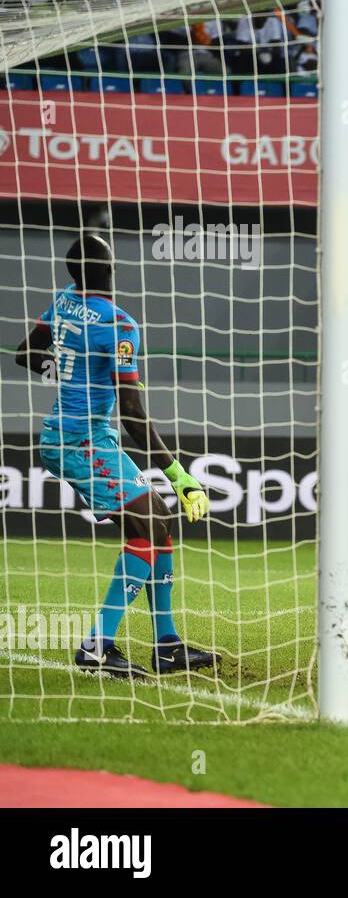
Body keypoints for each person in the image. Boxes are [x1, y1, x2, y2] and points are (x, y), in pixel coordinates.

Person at [12, 235, 217, 676]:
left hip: (83, 435)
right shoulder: (121, 325)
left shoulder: (65, 301)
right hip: (80, 440)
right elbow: (130, 411)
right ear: (110, 270)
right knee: (149, 521)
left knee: (157, 519)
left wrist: (65, 375)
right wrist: (181, 476)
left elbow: (25, 354)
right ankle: (96, 648)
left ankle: (167, 646)